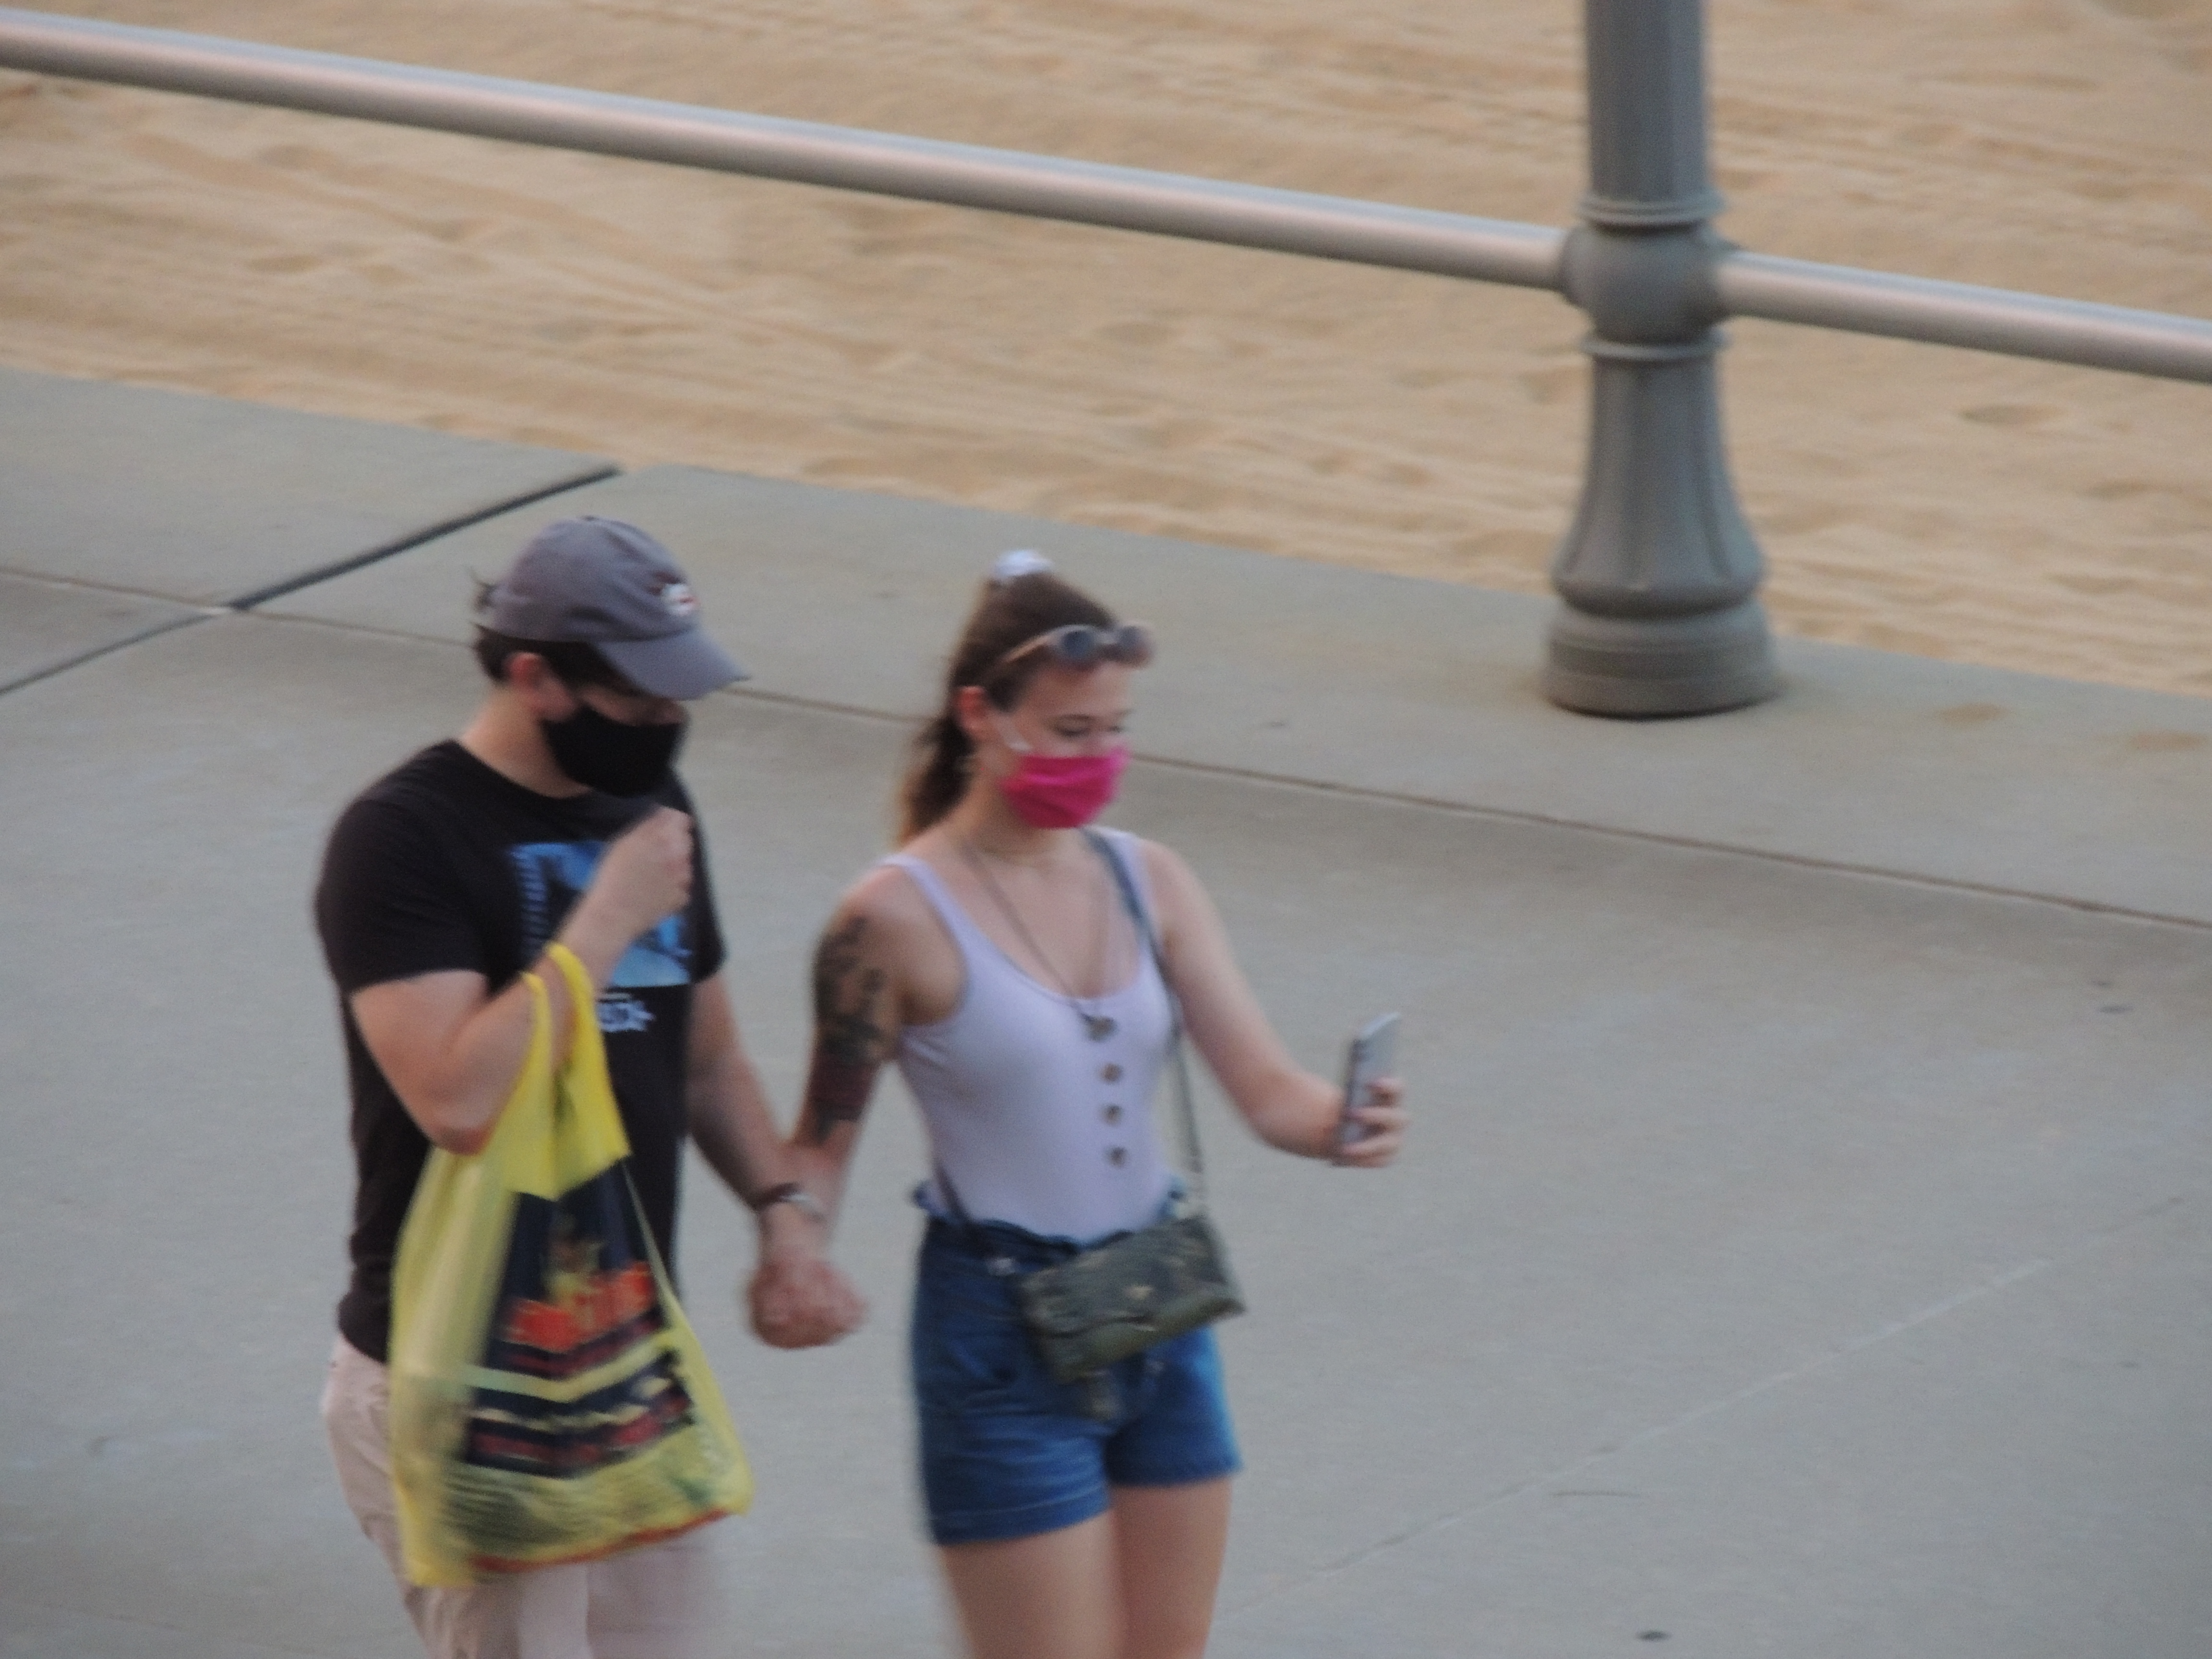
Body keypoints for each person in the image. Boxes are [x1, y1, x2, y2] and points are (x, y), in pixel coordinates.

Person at [757, 550, 1407, 1659]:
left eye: (1116, 731)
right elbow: (820, 1140)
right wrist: (792, 1248)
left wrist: (1342, 1123)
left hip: (1155, 1308)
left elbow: (1267, 1093)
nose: (1100, 759)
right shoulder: (891, 921)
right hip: (999, 1331)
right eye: (1071, 732)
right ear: (981, 715)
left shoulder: (1149, 879)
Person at [313, 516, 862, 1659]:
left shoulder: (654, 814)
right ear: (536, 678)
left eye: (679, 698)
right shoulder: (403, 838)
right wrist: (605, 918)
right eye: (640, 699)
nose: (667, 724)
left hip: (622, 1374)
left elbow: (706, 1057)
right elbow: (457, 1101)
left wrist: (784, 1215)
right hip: (466, 1381)